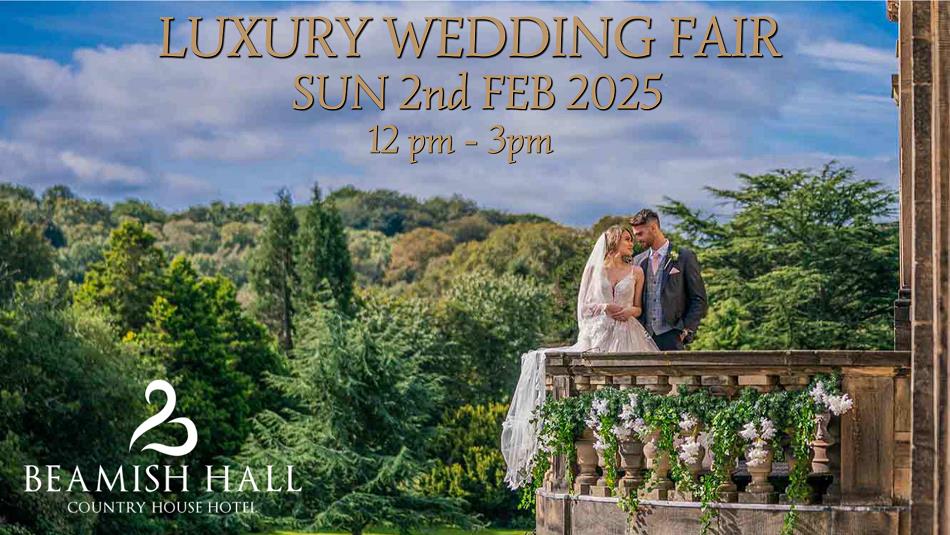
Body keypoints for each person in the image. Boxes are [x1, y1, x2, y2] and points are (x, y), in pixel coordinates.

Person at [501, 225, 658, 489]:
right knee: (600, 391)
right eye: (627, 239)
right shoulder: (594, 270)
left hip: (629, 331)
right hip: (600, 332)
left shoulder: (637, 272)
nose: (631, 244)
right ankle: (606, 455)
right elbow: (584, 307)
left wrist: (628, 311)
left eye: (632, 239)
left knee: (635, 389)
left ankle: (632, 457)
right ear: (613, 242)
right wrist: (605, 306)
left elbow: (639, 307)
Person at [630, 209, 707, 351]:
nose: (637, 239)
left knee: (674, 374)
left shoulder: (684, 256)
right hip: (643, 337)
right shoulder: (638, 261)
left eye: (640, 234)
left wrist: (687, 330)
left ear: (653, 228)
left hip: (672, 336)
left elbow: (699, 299)